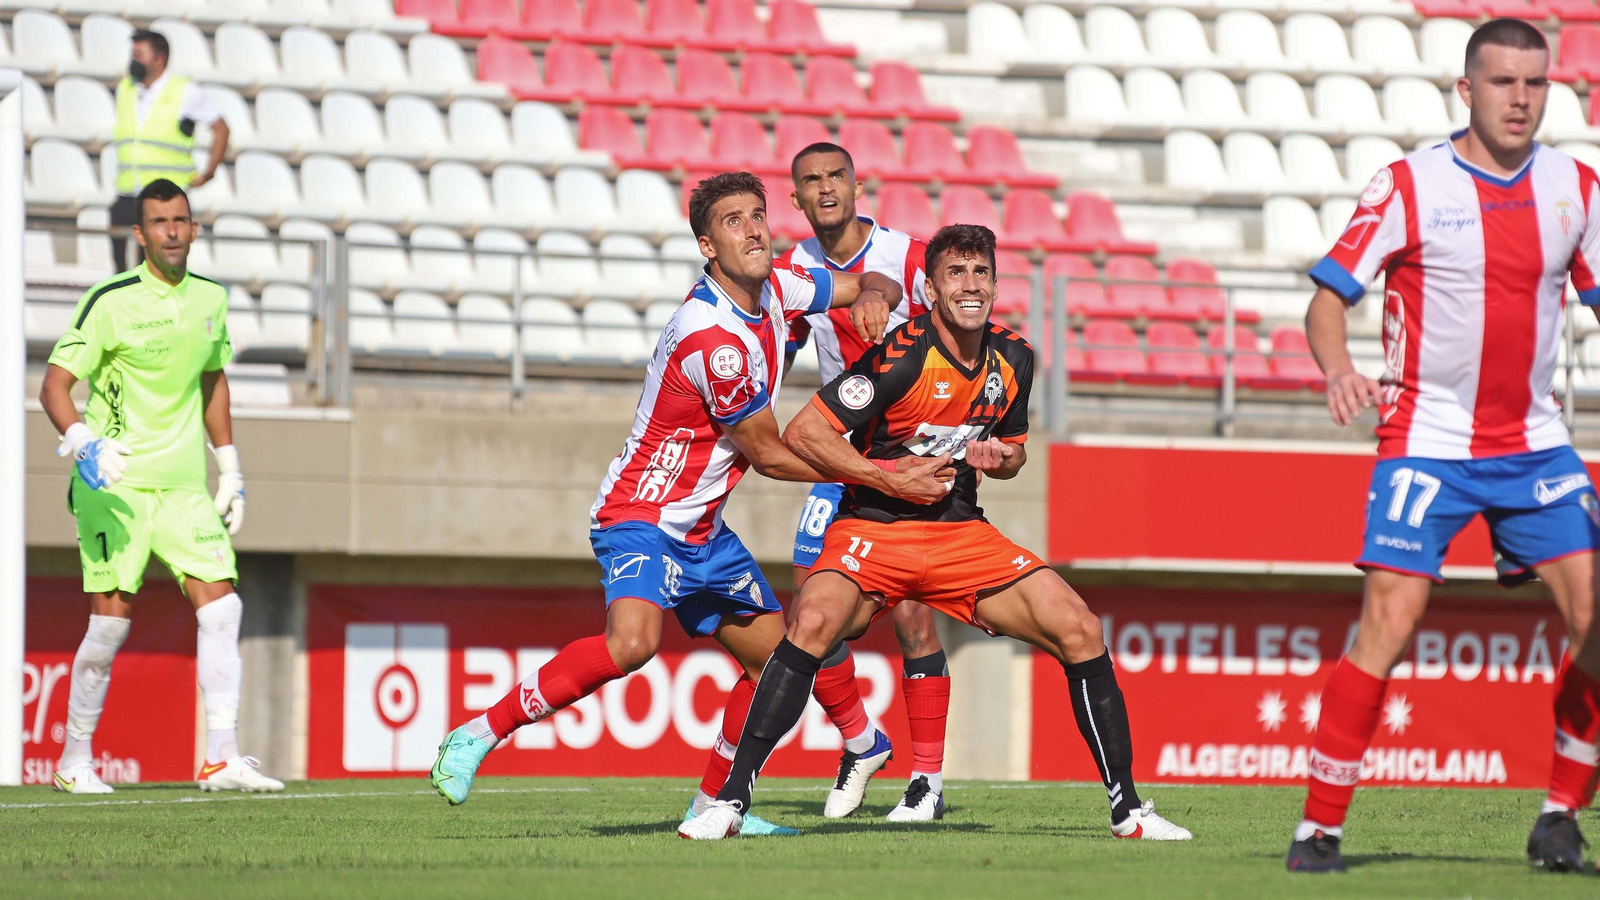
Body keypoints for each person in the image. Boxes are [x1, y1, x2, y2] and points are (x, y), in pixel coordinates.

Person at [427, 172, 955, 834]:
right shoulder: (714, 340)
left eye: (758, 215)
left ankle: (715, 805)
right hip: (642, 516)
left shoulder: (781, 290)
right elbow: (767, 453)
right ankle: (479, 732)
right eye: (734, 222)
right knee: (633, 644)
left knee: (776, 664)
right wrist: (881, 477)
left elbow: (862, 284)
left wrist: (875, 295)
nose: (754, 229)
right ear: (709, 246)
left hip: (704, 530)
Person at [679, 224, 1193, 842]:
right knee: (811, 625)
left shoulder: (1016, 357)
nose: (970, 286)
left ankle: (1129, 812)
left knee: (1080, 628)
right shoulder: (903, 356)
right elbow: (805, 434)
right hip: (873, 527)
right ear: (930, 287)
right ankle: (729, 804)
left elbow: (1017, 450)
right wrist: (888, 480)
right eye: (956, 273)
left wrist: (1005, 459)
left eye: (981, 274)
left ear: (997, 285)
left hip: (959, 536)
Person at [1285, 19, 1600, 874]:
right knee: (1388, 624)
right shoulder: (1409, 184)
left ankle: (1560, 816)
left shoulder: (1576, 187)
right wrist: (1338, 368)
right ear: (1467, 89)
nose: (1521, 99)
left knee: (1596, 621)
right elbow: (1327, 296)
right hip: (1425, 442)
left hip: (1536, 445)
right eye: (1503, 83)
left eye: (1535, 84)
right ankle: (1318, 828)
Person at [39, 179, 278, 794]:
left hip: (182, 489)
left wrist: (230, 465)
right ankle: (73, 761)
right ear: (139, 234)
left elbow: (212, 378)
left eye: (182, 219)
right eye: (159, 221)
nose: (172, 230)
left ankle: (222, 756)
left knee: (223, 609)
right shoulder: (109, 300)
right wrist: (84, 443)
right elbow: (54, 387)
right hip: (114, 487)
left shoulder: (211, 300)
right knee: (110, 626)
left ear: (194, 229)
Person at [778, 142, 952, 822]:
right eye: (811, 180)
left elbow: (959, 339)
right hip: (844, 460)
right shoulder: (792, 269)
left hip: (911, 457)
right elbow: (778, 338)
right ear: (796, 198)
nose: (825, 188)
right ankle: (861, 739)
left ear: (857, 184)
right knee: (807, 616)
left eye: (836, 176)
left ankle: (928, 784)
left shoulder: (909, 257)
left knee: (913, 616)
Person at [110, 30, 229, 272]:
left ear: (159, 60)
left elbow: (221, 129)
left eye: (139, 54)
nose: (133, 60)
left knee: (158, 270)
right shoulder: (126, 89)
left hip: (164, 198)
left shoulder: (184, 91)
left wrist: (209, 172)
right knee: (122, 274)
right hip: (126, 194)